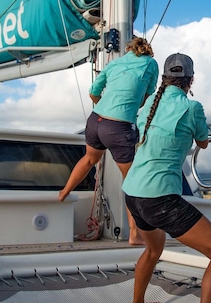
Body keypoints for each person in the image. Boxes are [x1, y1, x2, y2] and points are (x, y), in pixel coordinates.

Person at [122, 53, 211, 303]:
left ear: (164, 79)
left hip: (133, 193)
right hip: (160, 197)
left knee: (153, 250)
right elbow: (202, 141)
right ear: (190, 81)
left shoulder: (149, 103)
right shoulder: (191, 107)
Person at [58, 36, 159, 245]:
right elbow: (147, 96)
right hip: (119, 127)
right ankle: (134, 234)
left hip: (95, 121)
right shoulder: (151, 64)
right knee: (132, 182)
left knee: (88, 160)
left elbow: (93, 92)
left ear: (129, 49)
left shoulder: (114, 63)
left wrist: (104, 105)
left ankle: (63, 193)